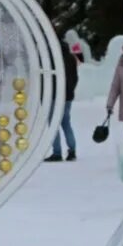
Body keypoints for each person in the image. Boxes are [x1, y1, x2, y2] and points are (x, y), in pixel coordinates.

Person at [46, 31, 80, 162]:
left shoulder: (51, 58)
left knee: (54, 124)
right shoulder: (71, 57)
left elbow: (48, 78)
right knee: (66, 123)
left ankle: (57, 152)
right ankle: (72, 151)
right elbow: (75, 77)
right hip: (68, 96)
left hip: (55, 95)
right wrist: (71, 90)